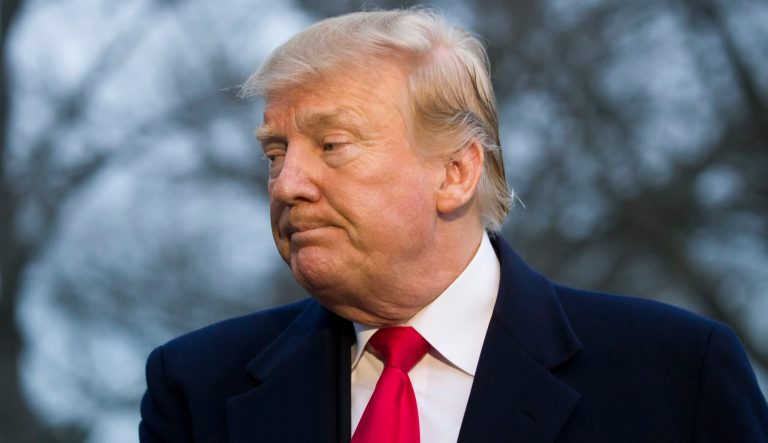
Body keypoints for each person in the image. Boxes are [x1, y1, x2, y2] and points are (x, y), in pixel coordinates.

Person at [139, 9, 768, 443]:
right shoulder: (198, 388)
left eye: (331, 145)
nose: (287, 184)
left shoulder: (675, 375)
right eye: (275, 154)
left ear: (456, 173)